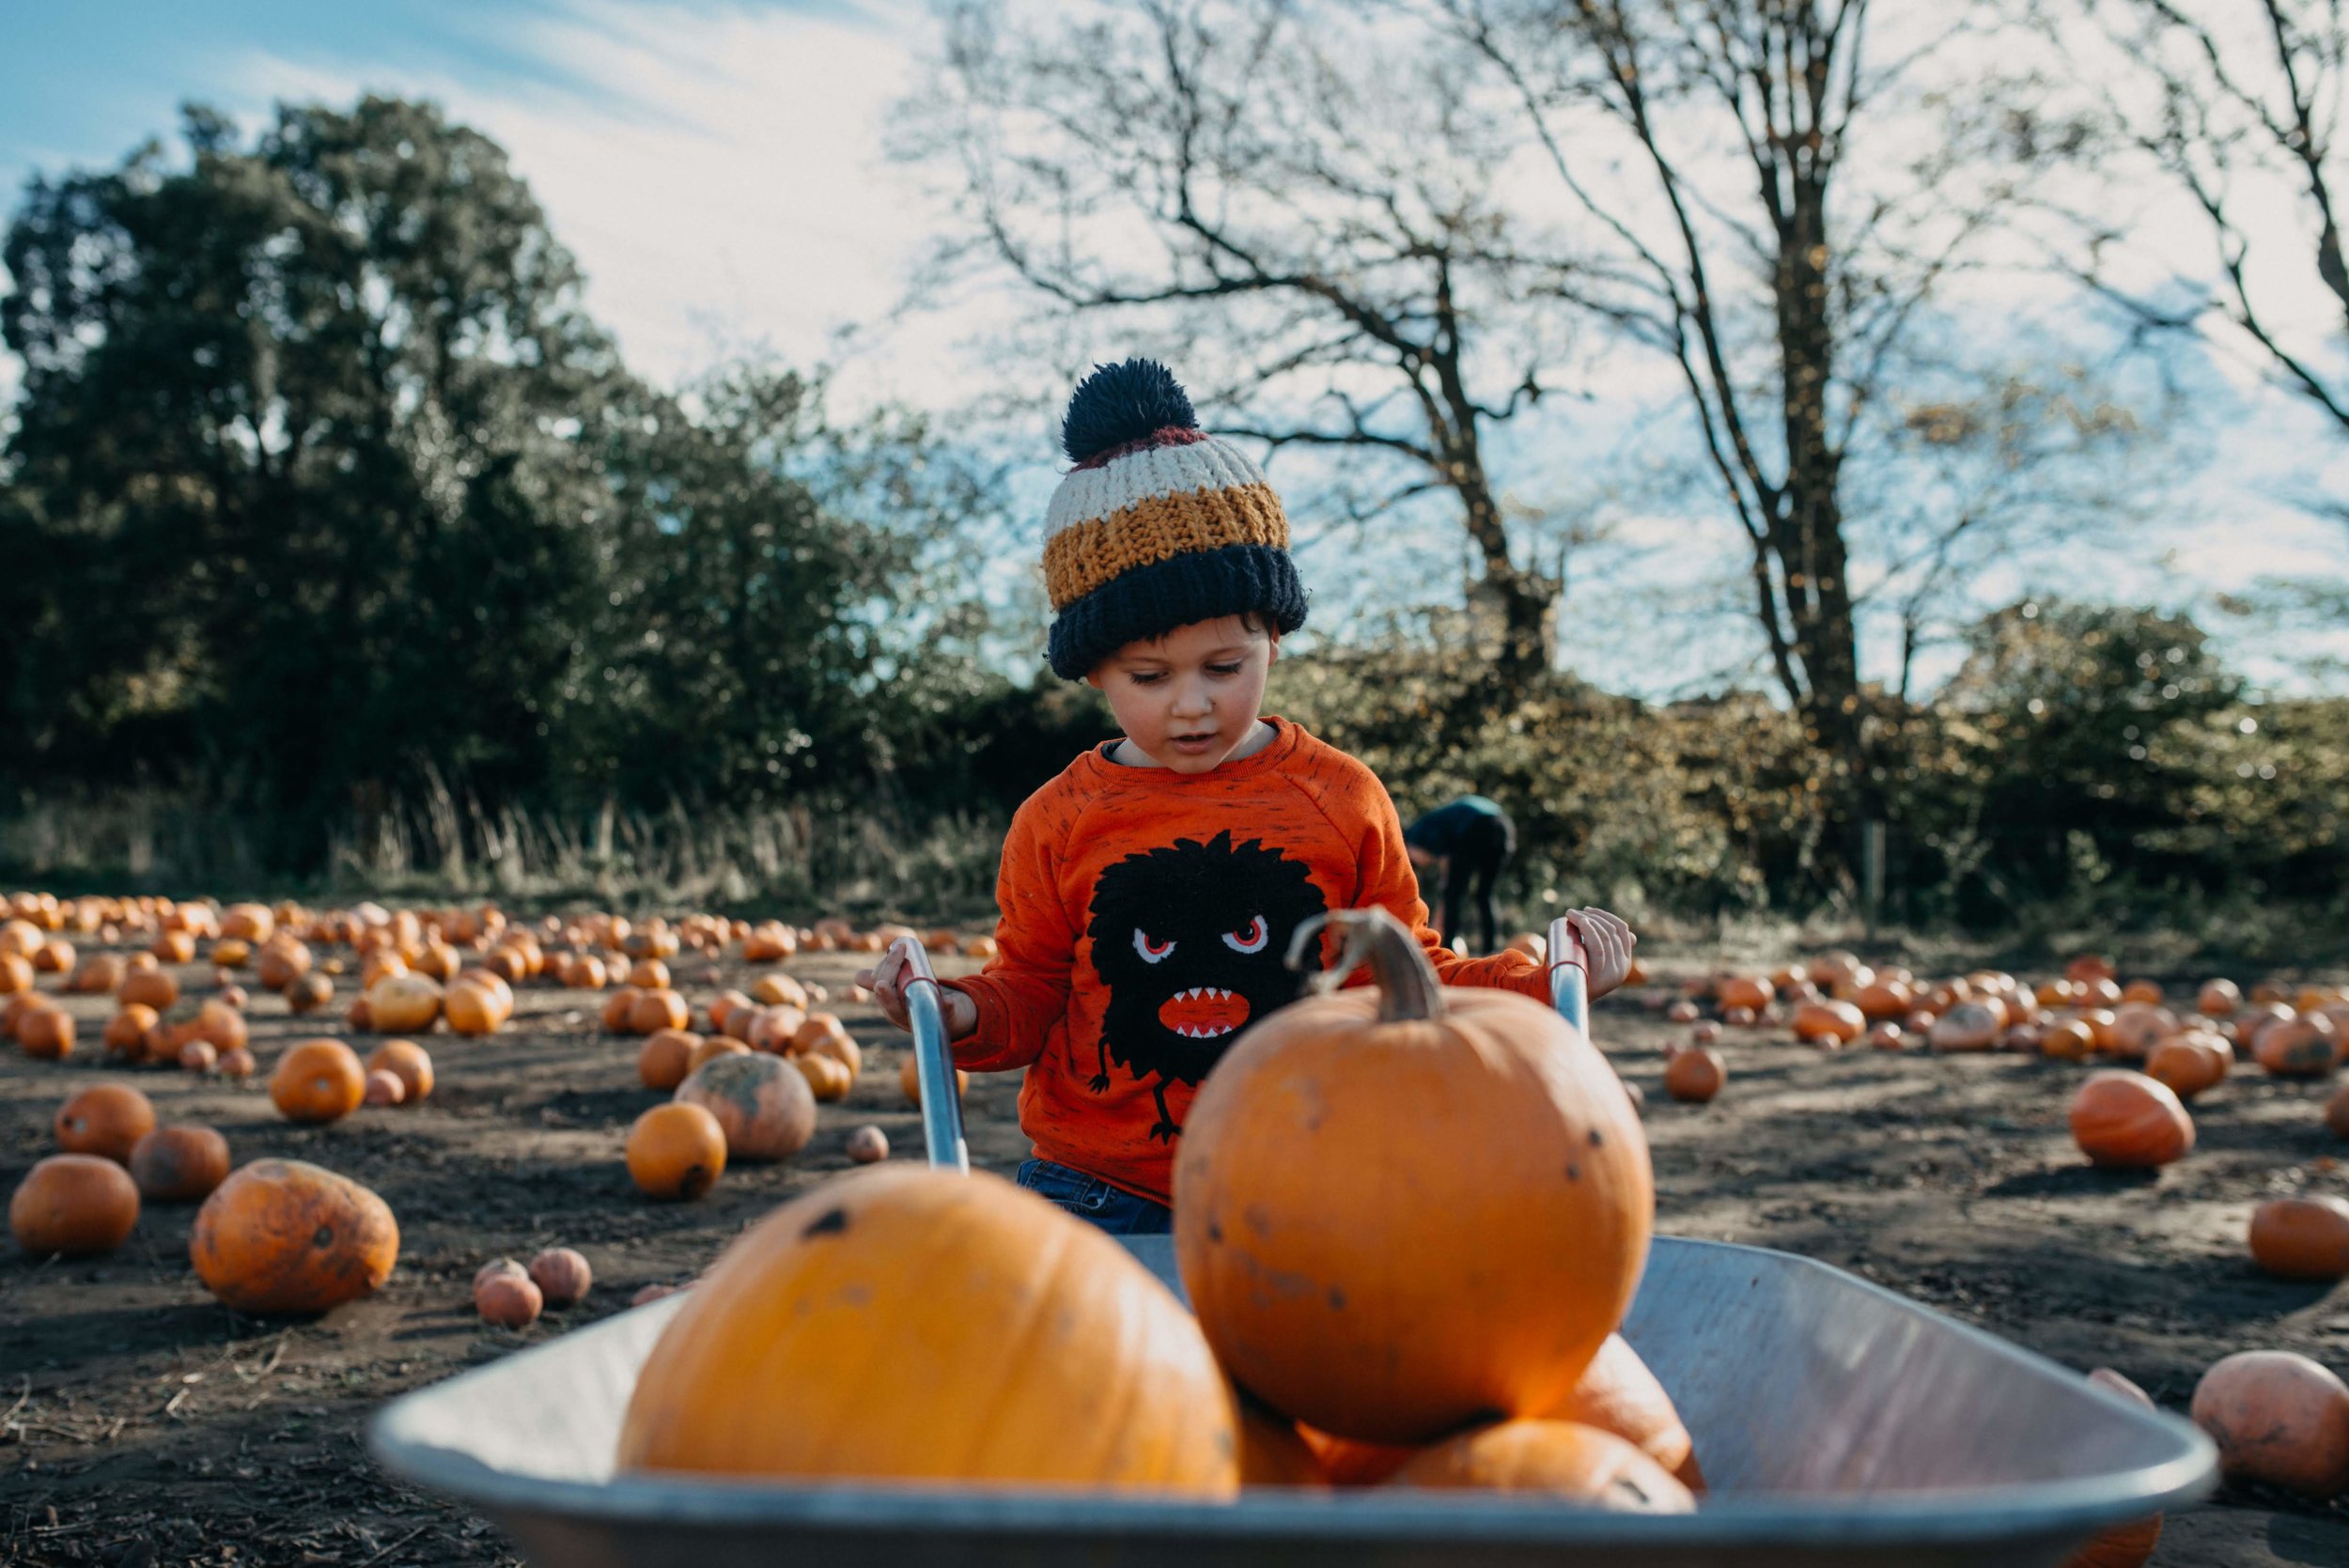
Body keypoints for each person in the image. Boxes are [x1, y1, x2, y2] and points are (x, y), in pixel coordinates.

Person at [858, 359, 1636, 1235]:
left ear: (1273, 636)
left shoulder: (1338, 796)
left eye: (1225, 667)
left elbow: (1408, 973)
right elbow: (1031, 991)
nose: (1191, 703)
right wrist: (953, 1008)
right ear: (1094, 671)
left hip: (1306, 1182)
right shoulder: (1059, 819)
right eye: (1148, 676)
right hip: (1098, 1193)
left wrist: (1546, 984)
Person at [1403, 795, 1516, 956]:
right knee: (1485, 894)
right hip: (1504, 826)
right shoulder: (1437, 829)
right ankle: (1491, 950)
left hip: (1477, 827)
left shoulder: (1417, 833)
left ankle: (1448, 948)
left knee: (1453, 894)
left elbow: (1445, 875)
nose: (1421, 866)